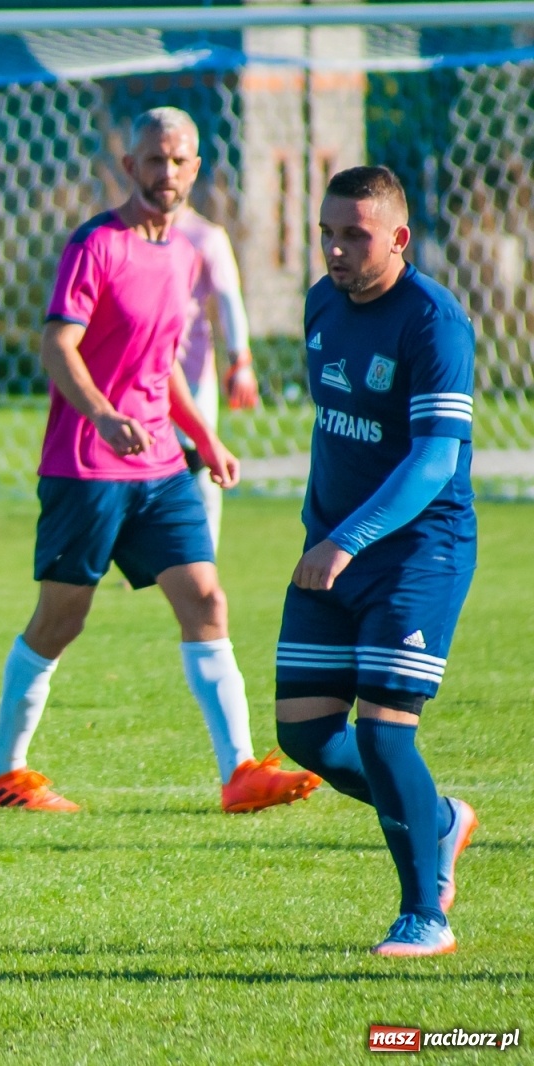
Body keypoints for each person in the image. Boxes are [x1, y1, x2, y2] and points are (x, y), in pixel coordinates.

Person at [0, 107, 321, 815]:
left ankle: (239, 774)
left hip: (162, 466)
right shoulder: (96, 245)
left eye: (179, 160)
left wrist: (205, 437)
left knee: (207, 600)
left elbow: (160, 368)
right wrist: (104, 416)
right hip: (87, 466)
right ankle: (4, 775)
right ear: (130, 166)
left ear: (196, 168)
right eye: (154, 160)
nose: (167, 172)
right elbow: (57, 346)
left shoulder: (185, 256)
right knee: (60, 620)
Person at [272, 166, 479, 957]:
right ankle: (438, 819)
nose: (335, 248)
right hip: (329, 548)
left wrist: (347, 540)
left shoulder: (434, 323)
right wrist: (325, 535)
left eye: (354, 235)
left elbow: (433, 461)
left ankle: (425, 914)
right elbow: (341, 427)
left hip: (417, 552)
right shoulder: (322, 304)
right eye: (327, 232)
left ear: (398, 238)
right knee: (307, 737)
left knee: (386, 736)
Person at [173, 206, 259, 549]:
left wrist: (241, 361)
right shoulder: (129, 233)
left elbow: (228, 299)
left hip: (192, 373)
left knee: (200, 462)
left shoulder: (206, 237)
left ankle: (202, 556)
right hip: (141, 372)